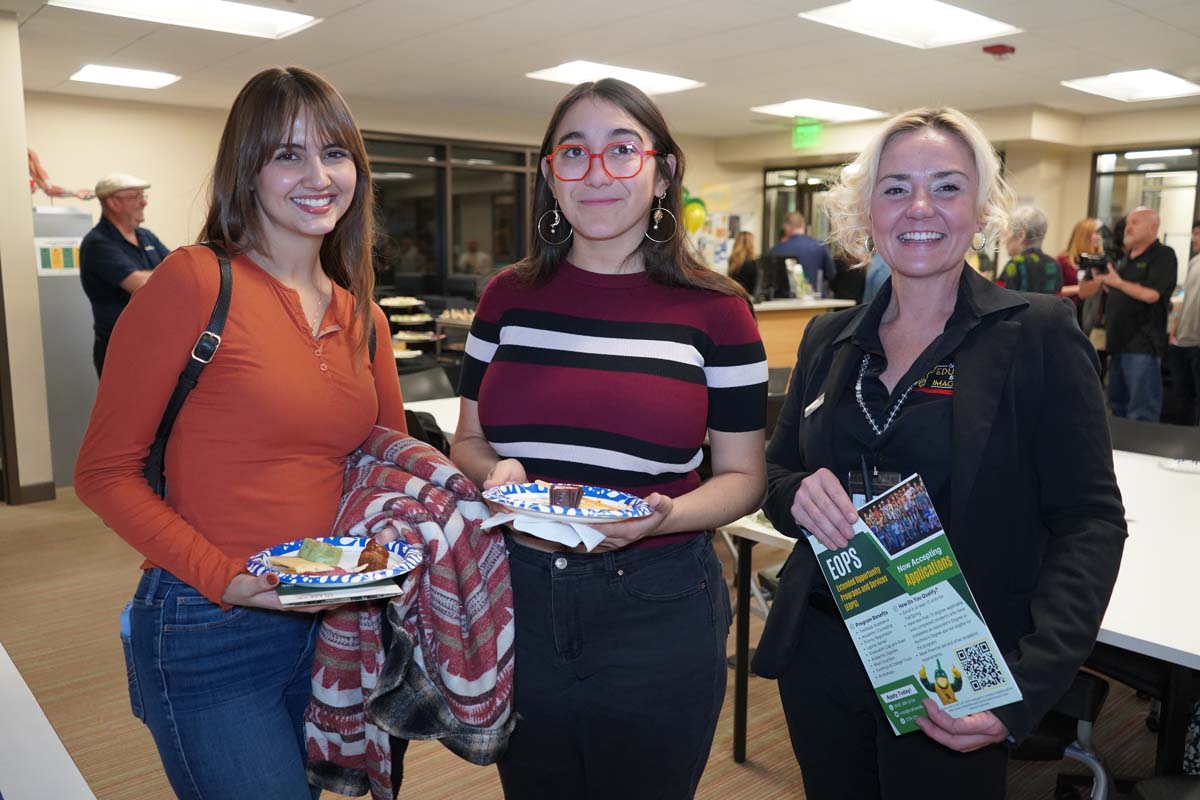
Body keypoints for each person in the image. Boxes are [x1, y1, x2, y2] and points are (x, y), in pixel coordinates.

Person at [753, 107, 1126, 800]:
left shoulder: (1038, 334)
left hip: (953, 663)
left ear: (981, 209)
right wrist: (796, 495)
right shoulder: (827, 338)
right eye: (895, 188)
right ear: (866, 210)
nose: (919, 207)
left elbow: (1090, 521)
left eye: (947, 186)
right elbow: (777, 473)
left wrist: (1023, 687)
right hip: (824, 651)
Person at [73, 66, 406, 800]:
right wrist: (234, 582)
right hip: (210, 619)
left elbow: (386, 471)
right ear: (246, 169)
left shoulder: (364, 318)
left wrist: (477, 485)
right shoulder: (194, 281)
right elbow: (102, 473)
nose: (318, 175)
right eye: (287, 154)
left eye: (335, 152)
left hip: (332, 624)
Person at [450, 78, 767, 800]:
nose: (596, 172)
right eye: (574, 152)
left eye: (622, 150)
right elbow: (466, 438)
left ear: (664, 172)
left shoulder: (718, 310)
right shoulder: (506, 297)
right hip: (520, 597)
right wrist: (495, 469)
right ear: (548, 175)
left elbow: (744, 475)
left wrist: (666, 514)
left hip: (655, 604)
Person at [1079, 207, 1178, 421]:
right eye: (1128, 222)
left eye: (1135, 222)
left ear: (1153, 227)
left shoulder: (1164, 255)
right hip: (1116, 344)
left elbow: (1151, 295)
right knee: (1117, 407)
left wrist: (1117, 282)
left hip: (1143, 346)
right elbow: (1117, 291)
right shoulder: (1124, 259)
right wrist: (1103, 281)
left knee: (1141, 411)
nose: (1128, 228)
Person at [79, 173, 169, 376]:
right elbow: (140, 285)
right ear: (113, 203)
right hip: (119, 349)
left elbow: (181, 273)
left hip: (154, 343)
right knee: (129, 407)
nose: (143, 202)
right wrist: (166, 277)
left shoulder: (146, 236)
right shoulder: (98, 243)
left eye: (143, 195)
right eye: (136, 197)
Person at [1167, 219, 1200, 425]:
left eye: (1197, 235)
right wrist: (1174, 330)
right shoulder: (1194, 262)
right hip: (1182, 342)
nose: (1193, 240)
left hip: (1197, 343)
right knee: (1183, 400)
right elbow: (1187, 299)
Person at [997, 204, 1062, 294]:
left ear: (1021, 235)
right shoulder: (1054, 265)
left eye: (1007, 233)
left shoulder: (1014, 265)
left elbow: (999, 300)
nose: (1004, 241)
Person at [769, 210, 836, 295]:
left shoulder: (776, 250)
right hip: (816, 303)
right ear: (803, 225)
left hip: (785, 302)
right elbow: (831, 274)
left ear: (786, 227)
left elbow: (771, 281)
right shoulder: (820, 246)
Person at [1056, 217, 1102, 304]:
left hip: (1091, 312)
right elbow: (1054, 290)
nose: (1099, 237)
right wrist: (1081, 289)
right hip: (1070, 310)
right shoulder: (1063, 261)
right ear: (1084, 236)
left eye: (1100, 234)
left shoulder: (1100, 261)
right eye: (1096, 233)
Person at [728, 229, 760, 295]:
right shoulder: (752, 263)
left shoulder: (733, 261)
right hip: (748, 297)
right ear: (751, 244)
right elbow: (755, 286)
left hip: (735, 297)